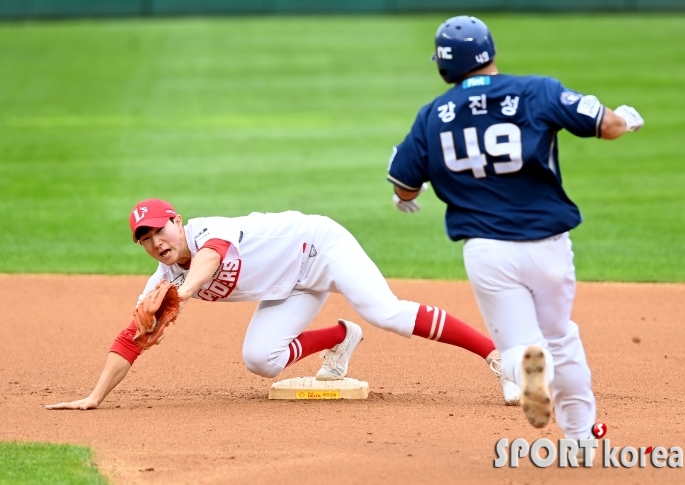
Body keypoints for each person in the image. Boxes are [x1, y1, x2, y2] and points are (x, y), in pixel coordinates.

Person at [386, 15, 643, 458]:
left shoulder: (433, 116)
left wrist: (408, 193)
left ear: (444, 67)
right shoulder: (535, 90)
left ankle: (526, 373)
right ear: (491, 53)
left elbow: (404, 184)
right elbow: (607, 125)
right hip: (548, 247)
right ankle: (580, 441)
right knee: (561, 337)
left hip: (487, 252)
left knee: (516, 347)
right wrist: (627, 119)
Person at [46, 198, 520, 410]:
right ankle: (341, 337)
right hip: (291, 287)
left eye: (159, 229)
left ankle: (495, 357)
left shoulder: (208, 231)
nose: (155, 241)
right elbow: (131, 337)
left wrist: (182, 293)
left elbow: (212, 258)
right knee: (260, 359)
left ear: (177, 221)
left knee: (386, 312)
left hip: (320, 247)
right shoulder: (162, 279)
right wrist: (94, 397)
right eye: (144, 239)